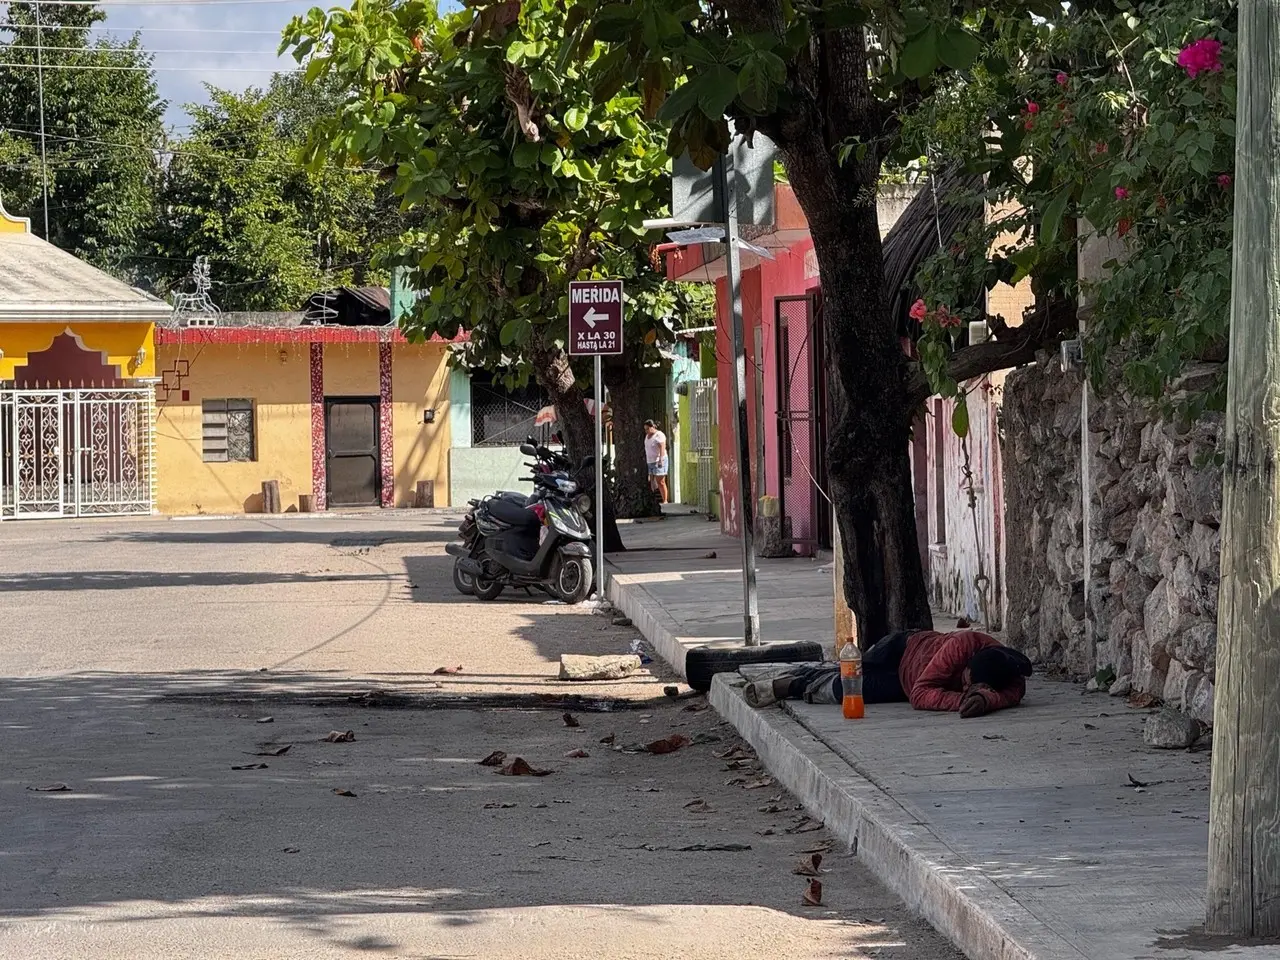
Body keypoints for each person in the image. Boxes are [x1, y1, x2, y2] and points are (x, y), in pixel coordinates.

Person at [743, 624, 1033, 719]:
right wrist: (960, 701)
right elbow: (923, 692)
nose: (965, 686)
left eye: (972, 686)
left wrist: (984, 701)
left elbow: (1007, 697)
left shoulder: (1012, 682)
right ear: (969, 663)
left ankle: (792, 687)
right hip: (903, 649)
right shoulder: (963, 644)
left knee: (845, 690)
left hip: (904, 685)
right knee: (852, 671)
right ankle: (796, 677)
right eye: (966, 679)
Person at [643, 419, 669, 505]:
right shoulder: (647, 436)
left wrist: (661, 460)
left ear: (653, 427)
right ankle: (653, 499)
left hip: (658, 460)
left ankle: (665, 499)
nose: (646, 431)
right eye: (645, 429)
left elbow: (662, 447)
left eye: (648, 429)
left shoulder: (659, 435)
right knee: (651, 481)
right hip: (650, 461)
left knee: (660, 481)